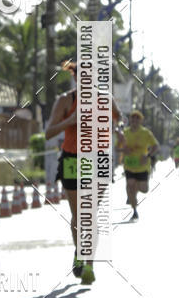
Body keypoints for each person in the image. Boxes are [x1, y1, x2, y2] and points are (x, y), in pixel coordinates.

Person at [46, 61, 122, 285]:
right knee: (79, 215)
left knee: (90, 214)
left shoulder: (106, 99)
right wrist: (70, 120)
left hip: (97, 159)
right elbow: (49, 132)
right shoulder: (65, 100)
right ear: (76, 77)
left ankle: (89, 265)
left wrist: (119, 129)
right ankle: (79, 252)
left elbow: (120, 119)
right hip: (72, 159)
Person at [117, 110, 159, 220]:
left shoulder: (146, 133)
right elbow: (117, 148)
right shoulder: (124, 133)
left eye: (137, 118)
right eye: (133, 118)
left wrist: (147, 155)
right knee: (130, 185)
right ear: (130, 120)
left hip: (142, 166)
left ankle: (133, 191)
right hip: (129, 165)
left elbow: (155, 146)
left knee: (144, 189)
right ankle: (134, 210)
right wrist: (123, 150)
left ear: (141, 120)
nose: (135, 120)